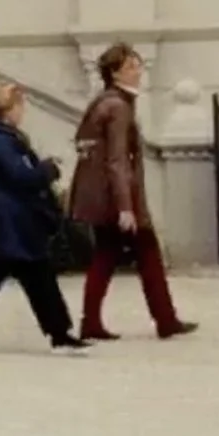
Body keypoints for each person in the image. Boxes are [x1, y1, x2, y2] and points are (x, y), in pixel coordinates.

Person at [69, 42, 197, 342]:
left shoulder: (106, 102)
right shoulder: (118, 107)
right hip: (117, 198)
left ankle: (94, 322)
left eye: (137, 65)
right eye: (130, 67)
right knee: (146, 253)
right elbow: (117, 160)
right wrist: (126, 207)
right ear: (115, 73)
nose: (138, 71)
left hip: (106, 196)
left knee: (107, 256)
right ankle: (165, 320)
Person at [0, 82, 86, 353]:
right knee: (30, 275)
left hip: (9, 221)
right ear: (7, 109)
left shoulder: (0, 138)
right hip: (10, 221)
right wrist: (48, 169)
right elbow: (22, 176)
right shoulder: (0, 141)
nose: (22, 112)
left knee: (5, 276)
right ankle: (58, 334)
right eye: (19, 106)